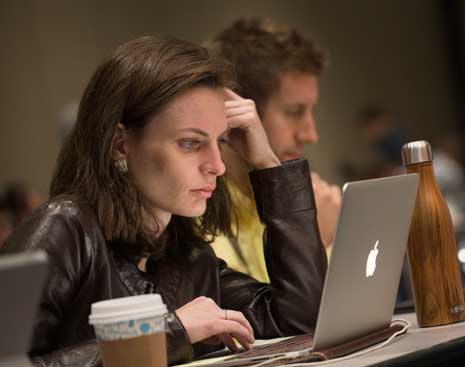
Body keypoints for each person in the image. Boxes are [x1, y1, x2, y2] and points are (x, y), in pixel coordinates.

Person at [1, 36, 327, 366]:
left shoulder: (189, 256)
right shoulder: (63, 229)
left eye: (221, 141)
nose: (218, 165)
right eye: (190, 143)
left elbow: (301, 321)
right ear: (120, 145)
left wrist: (267, 164)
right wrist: (170, 332)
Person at [204, 18, 340, 282]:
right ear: (237, 110)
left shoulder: (311, 203)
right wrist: (309, 242)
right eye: (293, 112)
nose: (311, 135)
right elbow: (277, 320)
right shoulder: (194, 218)